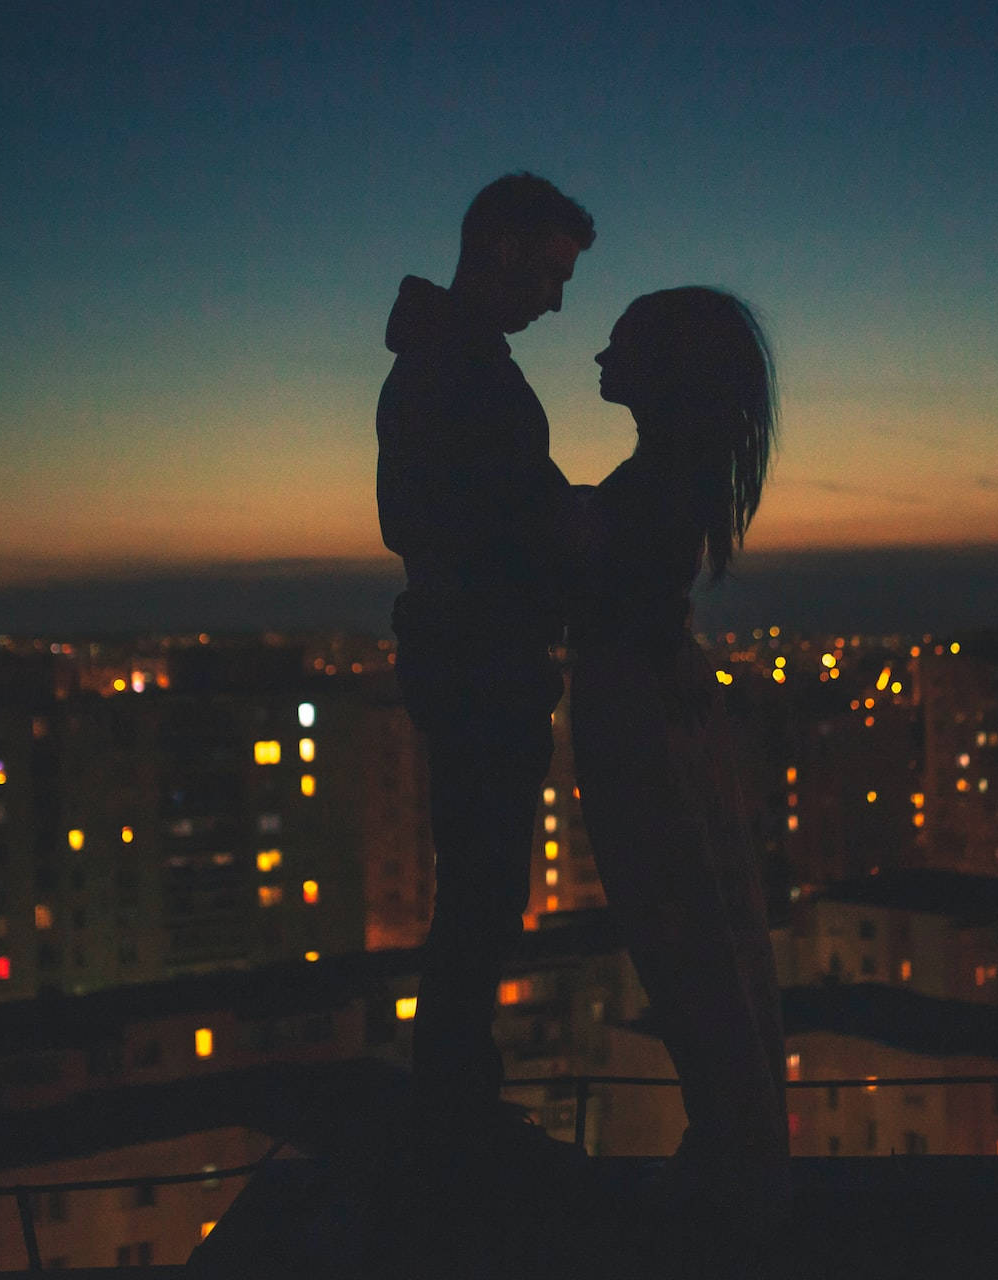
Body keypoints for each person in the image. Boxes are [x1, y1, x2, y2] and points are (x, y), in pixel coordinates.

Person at [375, 173, 594, 1149]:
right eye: (552, 272)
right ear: (503, 251)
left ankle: (455, 1100)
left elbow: (511, 509)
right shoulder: (454, 372)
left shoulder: (451, 364)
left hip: (470, 662)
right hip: (479, 669)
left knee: (481, 887)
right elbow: (487, 519)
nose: (558, 299)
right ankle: (456, 1110)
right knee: (482, 889)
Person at [569, 287, 791, 1248]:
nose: (598, 359)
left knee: (680, 929)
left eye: (616, 344)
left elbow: (608, 585)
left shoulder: (654, 483)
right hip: (649, 713)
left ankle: (728, 1150)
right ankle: (733, 1143)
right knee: (689, 928)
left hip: (636, 724)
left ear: (659, 367)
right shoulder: (667, 476)